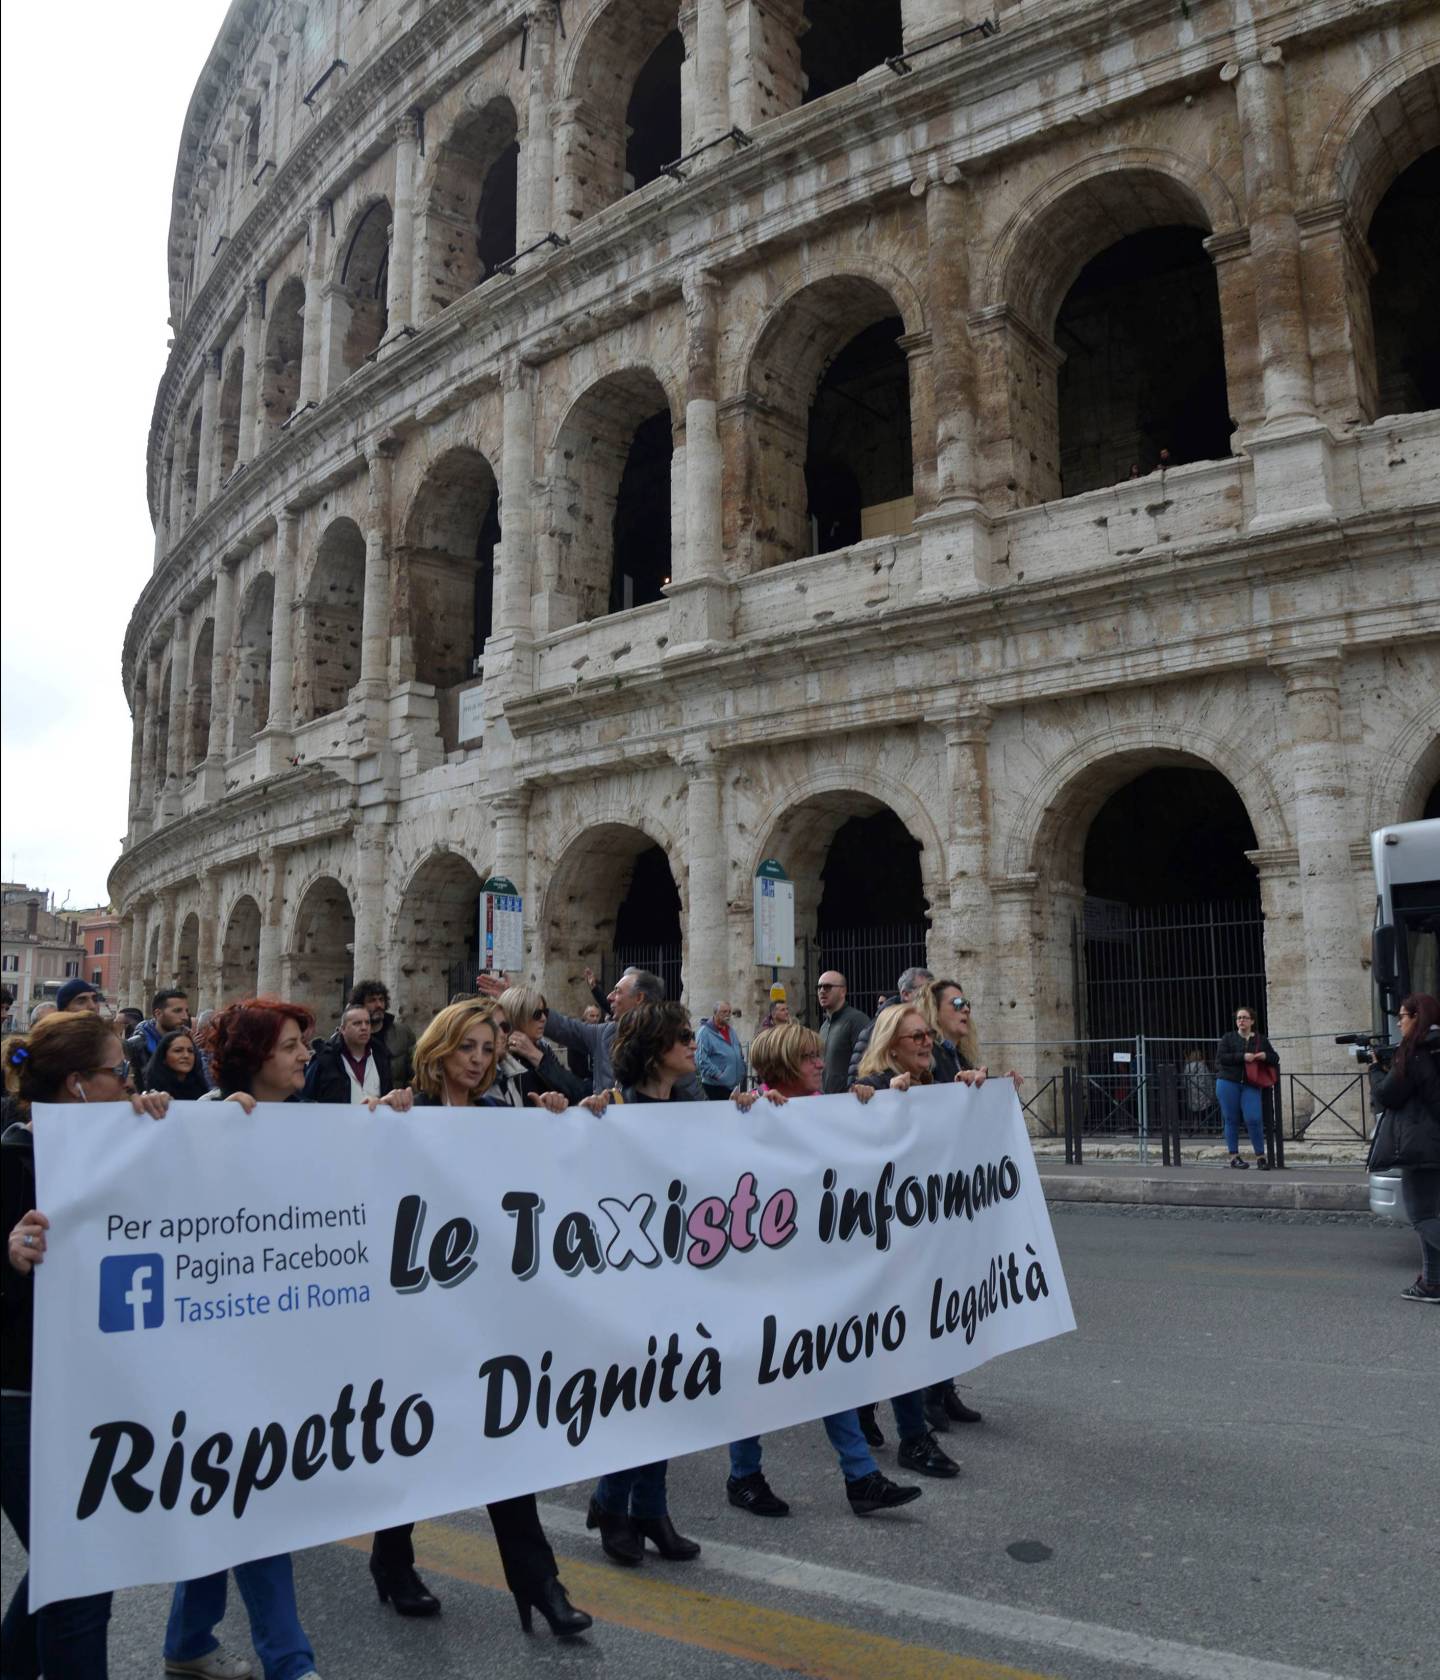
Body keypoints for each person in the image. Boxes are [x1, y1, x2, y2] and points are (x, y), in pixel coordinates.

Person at [3, 1012, 255, 1680]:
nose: (131, 1081)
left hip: (96, 1391)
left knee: (64, 1567)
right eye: (120, 1071)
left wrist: (207, 1123)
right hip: (22, 1400)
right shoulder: (11, 1158)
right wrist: (8, 1256)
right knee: (82, 1572)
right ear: (78, 1085)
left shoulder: (124, 1141)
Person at [369, 999, 589, 1633]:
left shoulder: (501, 1116)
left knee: (503, 1443)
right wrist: (380, 1118)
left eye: (488, 1051)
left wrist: (561, 1118)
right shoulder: (408, 1111)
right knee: (417, 1441)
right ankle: (392, 1558)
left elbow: (544, 1183)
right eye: (466, 1047)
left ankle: (540, 1584)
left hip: (489, 1309)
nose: (477, 1060)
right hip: (421, 1310)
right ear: (440, 1047)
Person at [172, 997, 325, 1679]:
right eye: (291, 1045)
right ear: (253, 1055)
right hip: (216, 1351)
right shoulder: (203, 1119)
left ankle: (188, 1641)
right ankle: (290, 1662)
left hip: (279, 1344)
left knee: (226, 1495)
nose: (304, 1055)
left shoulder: (308, 1123)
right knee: (252, 1499)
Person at [725, 1024, 924, 1518]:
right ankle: (743, 1474)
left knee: (831, 1370)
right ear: (782, 1066)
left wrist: (872, 1102)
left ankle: (861, 1476)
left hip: (815, 1274)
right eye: (808, 1057)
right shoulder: (752, 1111)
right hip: (766, 1277)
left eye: (818, 1054)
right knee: (756, 1378)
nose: (820, 1063)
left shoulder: (827, 1108)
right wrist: (745, 1109)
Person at [580, 1002, 702, 1566]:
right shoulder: (614, 1108)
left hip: (679, 1274)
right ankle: (613, 1502)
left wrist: (755, 1111)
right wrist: (578, 1114)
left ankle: (651, 1509)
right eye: (683, 1036)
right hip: (627, 1279)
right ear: (654, 1049)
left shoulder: (693, 1107)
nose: (693, 1043)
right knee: (635, 1399)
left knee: (669, 1397)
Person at [503, 968, 704, 1099]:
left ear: (639, 998)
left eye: (617, 991)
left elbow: (696, 1102)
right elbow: (565, 1027)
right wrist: (518, 1003)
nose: (609, 997)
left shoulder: (675, 1052)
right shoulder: (604, 1033)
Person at [1371, 993, 1440, 1303]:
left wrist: (1376, 1070)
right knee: (1430, 1214)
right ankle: (1432, 1282)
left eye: (1402, 1016)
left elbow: (1388, 1095)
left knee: (1422, 1217)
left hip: (1422, 1145)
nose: (1398, 1022)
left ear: (1417, 1017)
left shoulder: (1414, 1052)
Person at [498, 985, 587, 1103]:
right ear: (517, 1017)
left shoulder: (543, 1049)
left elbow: (578, 1092)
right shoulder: (500, 1056)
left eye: (544, 1012)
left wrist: (537, 1057)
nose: (544, 1018)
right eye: (537, 1014)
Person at [1214, 1004, 1277, 1169]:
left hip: (1251, 1083)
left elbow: (1275, 1058)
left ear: (1252, 1021)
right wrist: (1242, 1057)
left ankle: (1261, 1157)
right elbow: (1221, 1058)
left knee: (1254, 1118)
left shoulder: (1261, 1040)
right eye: (1239, 1018)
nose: (1241, 1020)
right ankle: (1234, 1157)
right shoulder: (1228, 1038)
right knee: (1231, 1119)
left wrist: (1264, 1055)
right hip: (1228, 1082)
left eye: (1245, 1018)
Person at [847, 966, 935, 1084]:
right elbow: (855, 1080)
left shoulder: (931, 1082)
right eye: (917, 1036)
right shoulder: (881, 1026)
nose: (929, 1042)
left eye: (930, 1033)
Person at [302, 1003, 393, 1103]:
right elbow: (306, 1098)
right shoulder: (325, 1059)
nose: (364, 1027)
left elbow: (388, 1095)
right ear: (343, 1029)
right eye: (357, 1023)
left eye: (367, 1023)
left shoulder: (381, 1057)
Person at [348, 980, 416, 1087]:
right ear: (360, 1005)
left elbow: (415, 1073)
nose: (379, 1005)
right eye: (372, 1000)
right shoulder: (349, 1036)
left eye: (381, 999)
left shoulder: (402, 1033)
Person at [817, 972, 869, 1094]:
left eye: (828, 987)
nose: (822, 991)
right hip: (825, 1099)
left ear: (843, 991)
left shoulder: (857, 1020)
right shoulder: (824, 1026)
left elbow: (868, 1060)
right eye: (819, 987)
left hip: (850, 1098)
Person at [124, 987, 191, 1080]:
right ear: (158, 1013)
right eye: (177, 1011)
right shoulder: (135, 1046)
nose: (185, 1017)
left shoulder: (189, 1045)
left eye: (186, 1011)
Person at [142, 1028, 213, 1101]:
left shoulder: (203, 1089)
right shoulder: (152, 1094)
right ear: (163, 1057)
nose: (186, 1055)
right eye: (178, 1051)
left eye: (190, 1051)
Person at [695, 1000, 746, 1101]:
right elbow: (701, 1059)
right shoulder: (705, 1032)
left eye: (729, 1012)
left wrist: (742, 1068)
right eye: (724, 1012)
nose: (728, 1014)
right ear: (715, 1013)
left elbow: (739, 1051)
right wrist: (718, 1075)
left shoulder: (731, 1031)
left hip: (732, 1086)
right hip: (714, 1086)